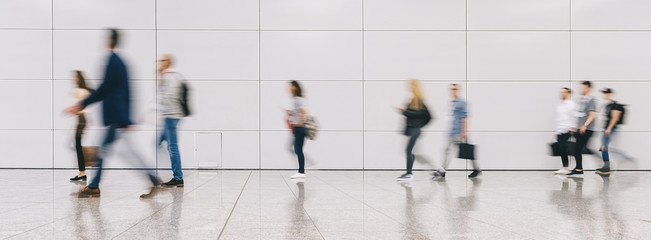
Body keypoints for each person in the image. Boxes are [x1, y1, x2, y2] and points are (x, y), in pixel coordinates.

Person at [65, 29, 160, 198]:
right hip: (119, 116)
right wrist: (129, 118)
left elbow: (105, 88)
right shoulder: (122, 62)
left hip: (116, 116)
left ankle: (95, 186)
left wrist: (82, 103)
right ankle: (152, 179)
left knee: (108, 151)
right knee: (119, 151)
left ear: (110, 40)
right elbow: (128, 90)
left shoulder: (112, 61)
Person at [433, 84, 481, 180]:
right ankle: (442, 171)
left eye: (455, 89)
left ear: (458, 90)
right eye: (451, 89)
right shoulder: (452, 103)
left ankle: (476, 169)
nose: (453, 91)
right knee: (447, 150)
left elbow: (465, 117)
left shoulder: (462, 102)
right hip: (452, 131)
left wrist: (465, 131)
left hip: (460, 132)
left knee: (467, 151)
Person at [156, 54, 185, 187]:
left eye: (162, 60)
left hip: (171, 116)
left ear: (168, 62)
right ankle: (173, 174)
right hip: (172, 115)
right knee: (158, 143)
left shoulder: (169, 76)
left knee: (172, 146)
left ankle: (178, 177)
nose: (160, 62)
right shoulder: (172, 76)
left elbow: (168, 96)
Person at [396, 79, 431, 181]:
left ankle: (409, 174)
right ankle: (410, 172)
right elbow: (413, 114)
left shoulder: (419, 101)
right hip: (411, 130)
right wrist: (405, 111)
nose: (409, 88)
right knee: (412, 152)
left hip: (415, 130)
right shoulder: (411, 100)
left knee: (408, 150)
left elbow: (427, 116)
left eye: (411, 86)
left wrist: (419, 125)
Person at [568, 81, 597, 176]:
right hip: (578, 128)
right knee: (578, 149)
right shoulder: (579, 100)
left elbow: (592, 114)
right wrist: (573, 126)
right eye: (580, 87)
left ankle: (580, 168)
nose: (581, 89)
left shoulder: (591, 100)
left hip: (587, 129)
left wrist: (585, 125)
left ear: (588, 88)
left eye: (583, 87)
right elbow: (576, 114)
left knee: (579, 149)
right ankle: (579, 168)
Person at [69, 71, 93, 181]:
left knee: (78, 146)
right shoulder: (85, 90)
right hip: (83, 120)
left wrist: (70, 110)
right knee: (77, 146)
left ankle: (82, 172)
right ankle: (81, 172)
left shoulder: (78, 91)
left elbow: (77, 108)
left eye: (75, 77)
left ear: (78, 78)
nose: (73, 79)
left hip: (81, 120)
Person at [596, 88, 624, 173]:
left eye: (606, 94)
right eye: (604, 93)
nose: (604, 95)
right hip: (606, 129)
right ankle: (606, 165)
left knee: (605, 147)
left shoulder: (615, 105)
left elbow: (615, 118)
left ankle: (607, 166)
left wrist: (608, 129)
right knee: (603, 147)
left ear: (610, 94)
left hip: (610, 129)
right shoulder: (607, 105)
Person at [286, 80, 307, 179]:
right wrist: (291, 113)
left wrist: (299, 122)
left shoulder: (297, 99)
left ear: (295, 87)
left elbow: (303, 111)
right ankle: (301, 171)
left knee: (297, 149)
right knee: (297, 149)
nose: (289, 88)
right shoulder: (296, 99)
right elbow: (299, 112)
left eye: (291, 86)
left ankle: (301, 171)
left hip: (300, 127)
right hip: (298, 127)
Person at [554, 88, 577, 175]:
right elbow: (559, 118)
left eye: (564, 92)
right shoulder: (560, 104)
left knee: (564, 147)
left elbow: (574, 117)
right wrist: (556, 130)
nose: (562, 94)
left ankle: (566, 167)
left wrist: (572, 127)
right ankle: (565, 167)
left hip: (567, 129)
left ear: (568, 94)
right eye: (561, 92)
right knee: (561, 148)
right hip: (560, 129)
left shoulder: (571, 105)